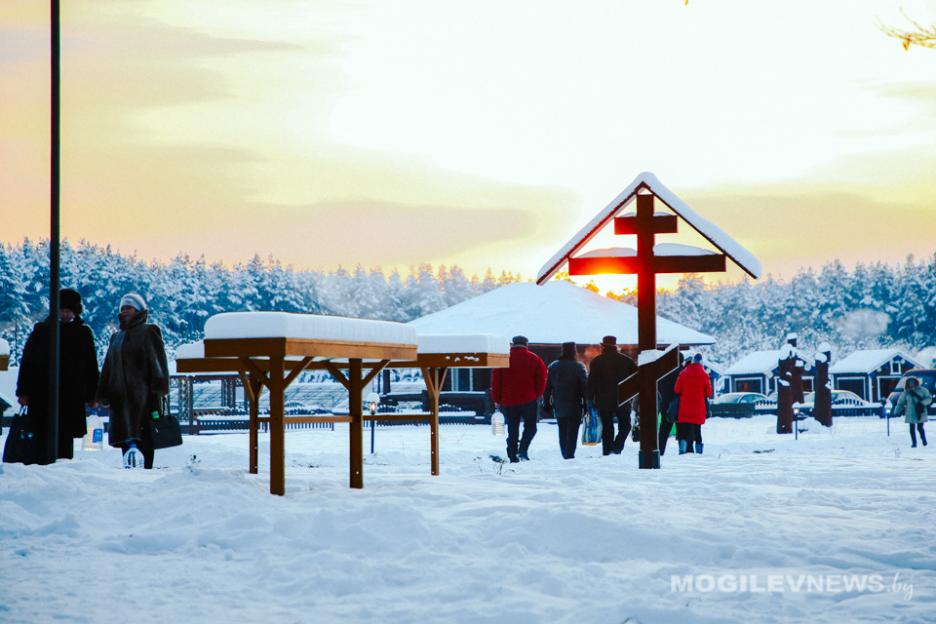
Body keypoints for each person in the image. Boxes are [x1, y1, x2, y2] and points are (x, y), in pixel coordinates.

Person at [14, 288, 100, 463]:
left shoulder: (83, 333)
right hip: (42, 394)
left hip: (70, 396)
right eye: (62, 310)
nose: (66, 314)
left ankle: (61, 470)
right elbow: (28, 362)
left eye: (69, 311)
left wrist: (92, 395)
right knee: (41, 435)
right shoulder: (42, 331)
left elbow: (91, 366)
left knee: (65, 439)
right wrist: (23, 391)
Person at [97, 293, 169, 469]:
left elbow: (158, 362)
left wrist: (158, 389)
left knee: (144, 436)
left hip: (143, 397)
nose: (125, 311)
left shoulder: (148, 331)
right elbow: (108, 366)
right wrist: (103, 392)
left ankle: (146, 472)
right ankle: (129, 471)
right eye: (123, 308)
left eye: (129, 307)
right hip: (120, 398)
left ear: (139, 310)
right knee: (125, 439)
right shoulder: (116, 337)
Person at [491, 335, 547, 462]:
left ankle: (512, 455)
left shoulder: (503, 359)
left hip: (509, 400)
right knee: (531, 427)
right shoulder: (534, 358)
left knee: (512, 428)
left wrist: (497, 399)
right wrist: (536, 394)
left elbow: (496, 381)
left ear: (512, 344)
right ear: (526, 344)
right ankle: (522, 450)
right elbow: (542, 378)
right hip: (529, 399)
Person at [586, 335, 638, 456]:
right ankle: (617, 447)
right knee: (625, 426)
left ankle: (607, 451)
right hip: (623, 398)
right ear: (615, 346)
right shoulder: (626, 360)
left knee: (607, 427)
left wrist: (589, 398)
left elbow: (591, 382)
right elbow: (637, 378)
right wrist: (631, 392)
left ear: (603, 346)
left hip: (603, 399)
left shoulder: (596, 361)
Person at [543, 342, 587, 460]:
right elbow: (585, 388)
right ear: (574, 351)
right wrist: (587, 405)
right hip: (575, 405)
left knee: (562, 431)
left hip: (559, 404)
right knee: (573, 432)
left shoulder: (553, 367)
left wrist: (546, 403)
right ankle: (569, 455)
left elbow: (547, 388)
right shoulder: (579, 367)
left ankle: (565, 454)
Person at [674, 352, 712, 454]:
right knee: (697, 431)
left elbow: (677, 390)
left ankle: (682, 450)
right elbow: (708, 393)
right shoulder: (704, 375)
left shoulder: (683, 373)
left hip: (685, 407)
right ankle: (699, 452)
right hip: (698, 407)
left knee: (684, 431)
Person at [657, 352, 685, 456]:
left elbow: (659, 387)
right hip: (681, 405)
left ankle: (660, 451)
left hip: (666, 405)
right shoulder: (683, 372)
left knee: (664, 430)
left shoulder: (664, 373)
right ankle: (683, 451)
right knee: (682, 430)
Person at [894, 376, 932, 448]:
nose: (911, 383)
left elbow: (929, 398)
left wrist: (922, 403)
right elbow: (901, 403)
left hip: (920, 412)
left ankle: (924, 441)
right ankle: (914, 443)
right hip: (910, 412)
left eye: (912, 382)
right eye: (909, 382)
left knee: (920, 428)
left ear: (916, 382)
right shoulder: (906, 392)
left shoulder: (923, 390)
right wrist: (896, 412)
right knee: (912, 428)